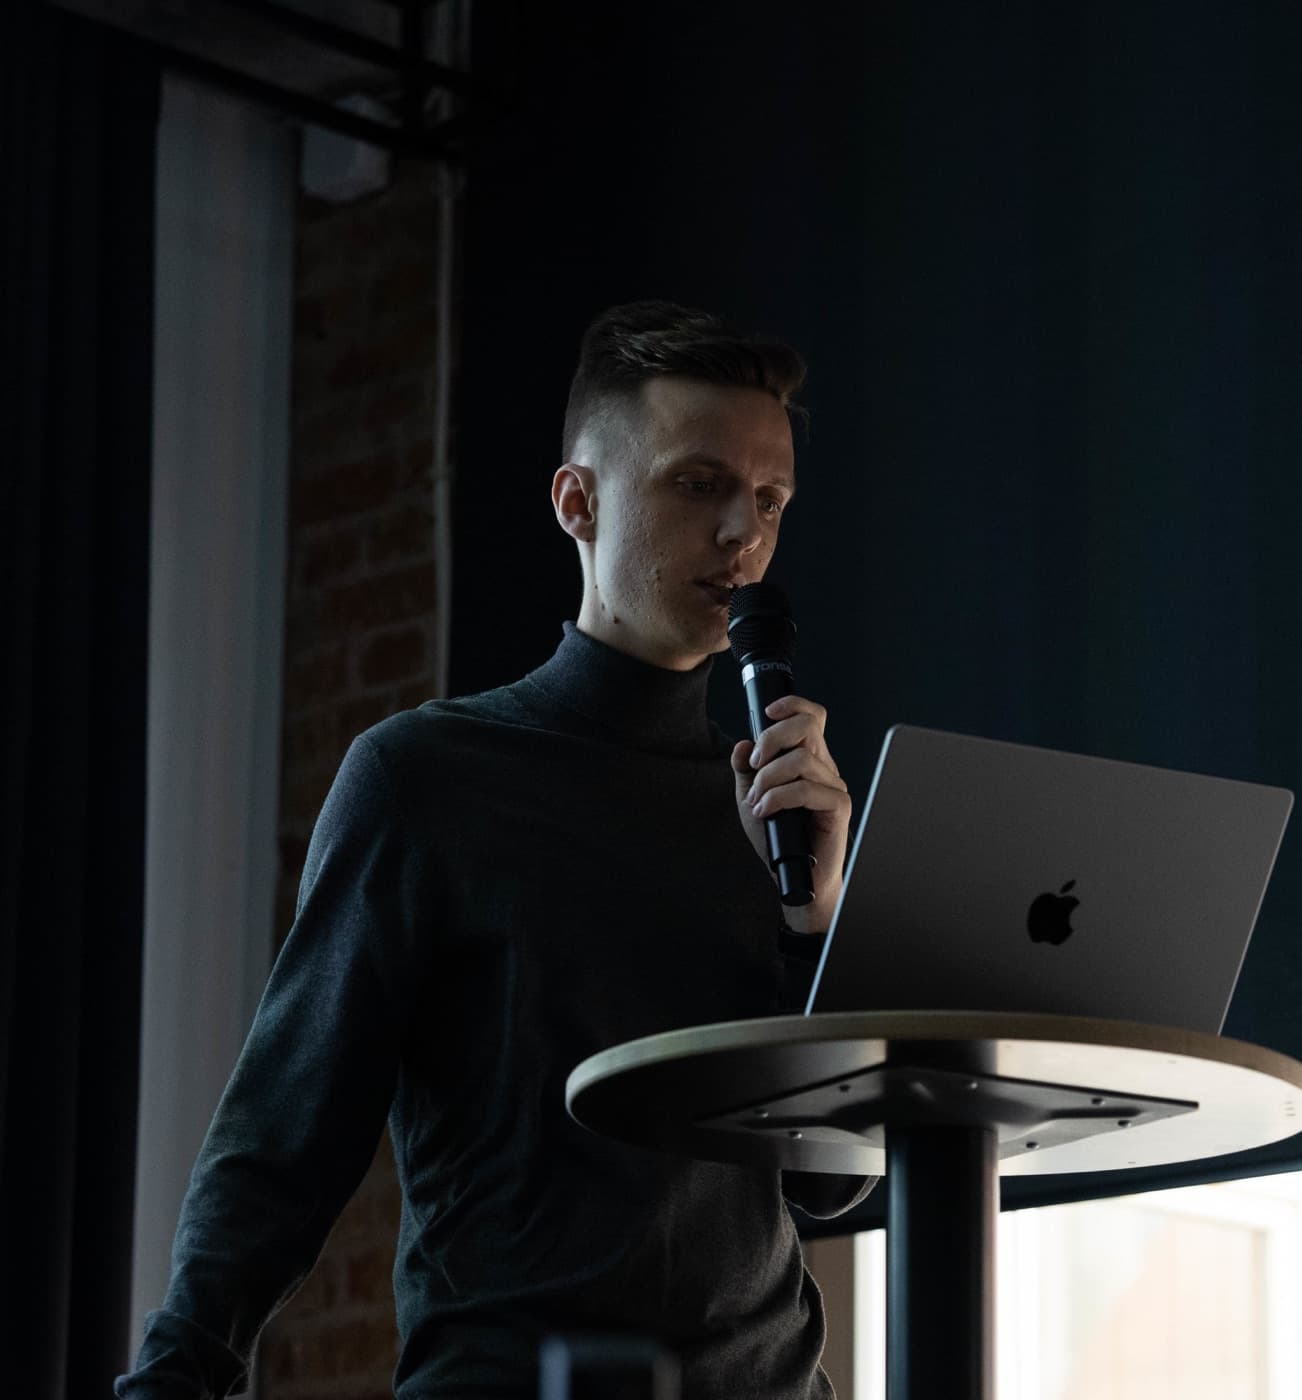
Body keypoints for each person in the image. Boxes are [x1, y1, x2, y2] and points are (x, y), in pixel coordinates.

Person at [117, 300, 874, 1399]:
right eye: (697, 483)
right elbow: (286, 1131)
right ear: (578, 500)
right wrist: (175, 1373)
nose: (740, 536)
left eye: (768, 500)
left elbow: (830, 1190)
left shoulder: (771, 809)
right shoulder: (430, 777)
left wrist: (816, 915)